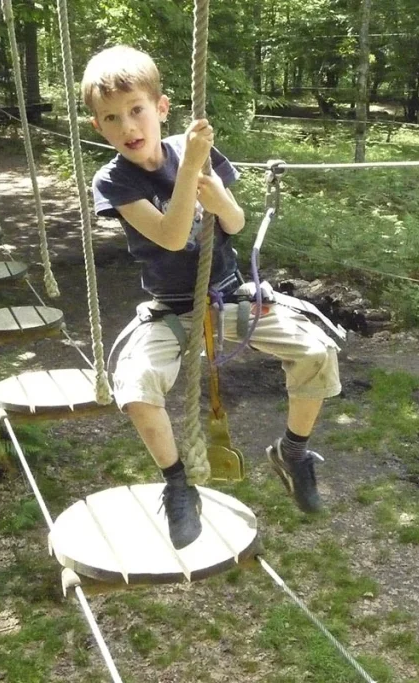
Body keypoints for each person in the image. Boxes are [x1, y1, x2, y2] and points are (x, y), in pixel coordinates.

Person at [84, 46, 342, 549]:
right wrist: (189, 174)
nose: (128, 126)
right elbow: (173, 236)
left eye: (136, 109)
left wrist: (213, 190)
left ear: (160, 108)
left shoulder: (193, 147)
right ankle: (179, 485)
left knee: (316, 351)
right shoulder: (113, 180)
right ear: (99, 127)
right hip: (172, 309)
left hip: (228, 296)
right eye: (112, 118)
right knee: (136, 387)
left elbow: (236, 222)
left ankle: (293, 453)